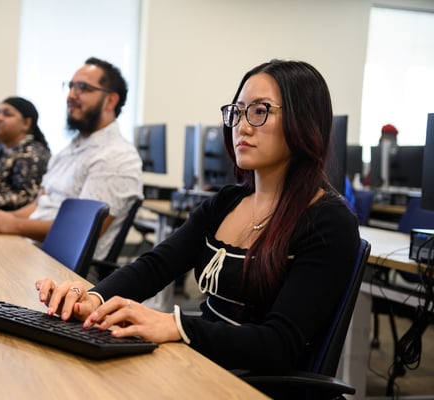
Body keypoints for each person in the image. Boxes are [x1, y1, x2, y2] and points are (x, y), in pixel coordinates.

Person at [36, 60, 361, 378]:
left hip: (249, 383)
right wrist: (93, 299)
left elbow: (280, 343)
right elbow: (155, 266)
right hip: (198, 364)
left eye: (260, 111)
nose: (242, 126)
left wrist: (176, 325)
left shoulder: (328, 222)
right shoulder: (227, 202)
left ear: (304, 121)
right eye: (237, 111)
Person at [0, 57, 143, 281]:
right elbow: (40, 203)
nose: (71, 95)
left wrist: (13, 225)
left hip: (66, 273)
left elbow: (80, 232)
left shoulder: (117, 157)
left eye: (83, 88)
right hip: (35, 253)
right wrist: (1, 217)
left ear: (110, 100)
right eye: (71, 86)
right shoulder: (69, 150)